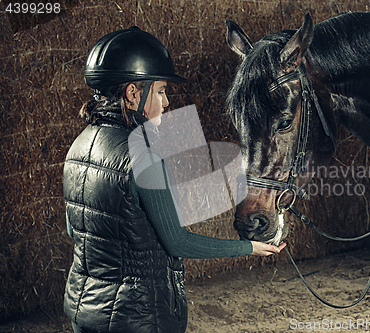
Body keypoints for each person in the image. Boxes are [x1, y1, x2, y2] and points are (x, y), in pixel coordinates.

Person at [63, 26, 285, 333]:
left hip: (83, 311)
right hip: (139, 318)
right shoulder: (144, 155)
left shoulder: (79, 145)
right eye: (161, 91)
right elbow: (178, 241)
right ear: (133, 93)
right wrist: (249, 249)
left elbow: (75, 229)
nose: (167, 102)